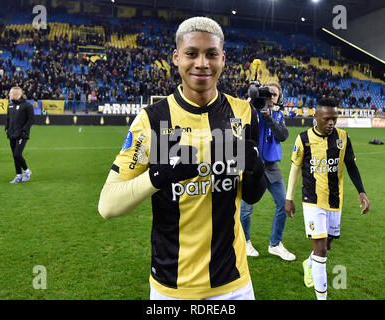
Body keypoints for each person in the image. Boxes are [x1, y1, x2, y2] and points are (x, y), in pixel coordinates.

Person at [98, 16, 267, 300]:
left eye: (211, 54)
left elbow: (251, 195)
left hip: (234, 284)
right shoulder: (153, 120)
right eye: (191, 53)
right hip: (172, 288)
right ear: (176, 58)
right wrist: (157, 176)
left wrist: (256, 173)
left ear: (223, 59)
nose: (202, 63)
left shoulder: (243, 113)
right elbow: (107, 205)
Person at [285, 97, 370, 300]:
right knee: (321, 250)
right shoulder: (303, 139)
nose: (331, 122)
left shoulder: (343, 137)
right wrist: (289, 198)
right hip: (312, 200)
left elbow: (351, 165)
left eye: (334, 118)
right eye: (327, 119)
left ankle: (309, 262)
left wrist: (362, 191)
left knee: (328, 245)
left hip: (335, 200)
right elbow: (295, 168)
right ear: (316, 117)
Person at [240, 81, 295, 261]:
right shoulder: (251, 110)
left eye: (275, 95)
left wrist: (268, 117)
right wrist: (251, 102)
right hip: (253, 165)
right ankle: (244, 242)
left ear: (279, 97)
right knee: (246, 208)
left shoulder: (279, 115)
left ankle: (275, 244)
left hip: (271, 166)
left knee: (282, 203)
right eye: (268, 94)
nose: (271, 98)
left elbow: (283, 136)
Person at [5, 87, 34, 184]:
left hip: (22, 135)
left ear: (17, 94)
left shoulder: (27, 105)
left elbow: (31, 120)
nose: (9, 95)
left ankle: (27, 171)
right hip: (12, 134)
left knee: (17, 154)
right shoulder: (10, 106)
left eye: (10, 93)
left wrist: (24, 130)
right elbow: (8, 119)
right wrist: (6, 129)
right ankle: (18, 175)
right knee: (15, 156)